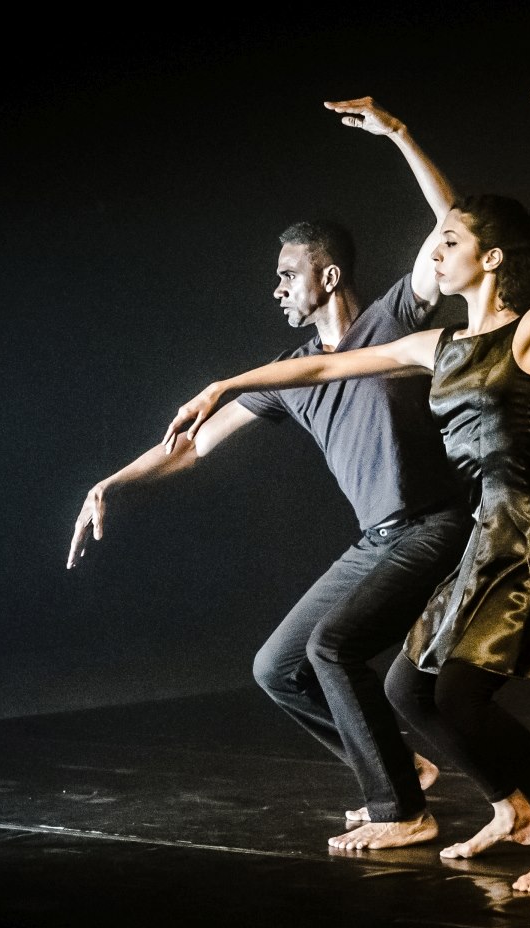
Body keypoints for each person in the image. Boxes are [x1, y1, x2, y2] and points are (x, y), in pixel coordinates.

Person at [163, 90, 530, 892]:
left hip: (529, 534)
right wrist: (227, 382)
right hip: (481, 536)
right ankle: (514, 811)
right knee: (404, 687)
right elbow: (318, 366)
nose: (437, 245)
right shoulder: (436, 344)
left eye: (450, 238)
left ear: (487, 259)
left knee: (457, 695)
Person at [67, 107, 477, 849]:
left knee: (334, 650)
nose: (278, 288)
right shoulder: (287, 374)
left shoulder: (393, 318)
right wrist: (111, 483)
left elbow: (451, 225)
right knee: (276, 667)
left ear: (328, 273)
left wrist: (401, 137)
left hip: (434, 523)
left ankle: (400, 813)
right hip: (376, 539)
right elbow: (193, 446)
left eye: (288, 274)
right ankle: (402, 771)